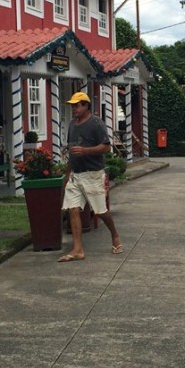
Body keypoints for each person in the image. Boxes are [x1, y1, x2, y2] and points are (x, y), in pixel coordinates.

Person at [58, 91, 122, 262]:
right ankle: (78, 249)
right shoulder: (72, 125)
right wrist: (67, 174)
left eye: (77, 105)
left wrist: (86, 150)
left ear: (86, 105)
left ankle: (115, 235)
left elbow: (106, 147)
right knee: (73, 209)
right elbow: (72, 151)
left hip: (93, 174)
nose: (74, 109)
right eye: (72, 106)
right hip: (76, 174)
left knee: (100, 211)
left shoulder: (96, 123)